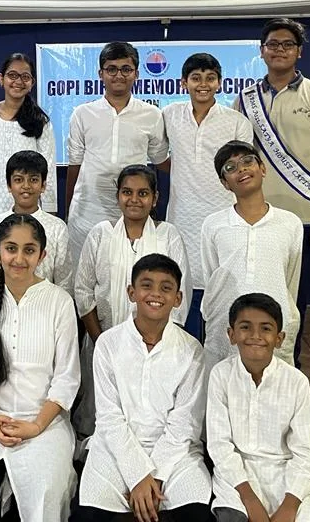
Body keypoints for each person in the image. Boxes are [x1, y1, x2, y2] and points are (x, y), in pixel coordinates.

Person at [0, 214, 81, 522]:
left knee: (43, 493)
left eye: (29, 250)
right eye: (11, 248)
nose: (19, 259)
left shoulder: (59, 302)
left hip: (45, 424)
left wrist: (36, 426)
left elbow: (67, 378)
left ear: (42, 255)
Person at [234, 18, 310, 364]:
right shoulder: (245, 99)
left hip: (305, 218)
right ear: (261, 51)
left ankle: (288, 365)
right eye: (273, 44)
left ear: (299, 51)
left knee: (292, 300)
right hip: (255, 218)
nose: (279, 50)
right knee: (251, 294)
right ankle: (249, 362)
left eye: (287, 44)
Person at [75, 254, 212, 522]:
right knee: (87, 516)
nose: (155, 294)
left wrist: (155, 476)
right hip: (115, 449)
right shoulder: (108, 344)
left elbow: (185, 423)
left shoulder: (191, 350)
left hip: (175, 455)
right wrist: (138, 474)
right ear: (131, 292)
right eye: (146, 285)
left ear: (178, 299)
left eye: (166, 287)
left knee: (197, 515)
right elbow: (109, 417)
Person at [74, 164, 190, 436]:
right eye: (127, 192)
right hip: (102, 339)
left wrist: (155, 346)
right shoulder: (101, 234)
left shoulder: (168, 235)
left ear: (155, 199)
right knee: (100, 419)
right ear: (117, 196)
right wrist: (102, 341)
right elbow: (83, 291)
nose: (134, 199)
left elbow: (180, 296)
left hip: (156, 348)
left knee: (150, 418)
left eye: (143, 193)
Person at [207, 293, 310, 522]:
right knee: (232, 517)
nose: (255, 336)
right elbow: (219, 446)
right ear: (231, 335)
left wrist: (289, 505)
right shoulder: (221, 375)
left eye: (266, 328)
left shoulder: (296, 381)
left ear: (279, 338)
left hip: (286, 475)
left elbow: (307, 453)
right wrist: (250, 500)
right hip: (237, 477)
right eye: (245, 327)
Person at [163, 53, 253, 339]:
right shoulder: (169, 115)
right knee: (183, 288)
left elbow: (243, 171)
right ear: (183, 83)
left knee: (221, 290)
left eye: (210, 78)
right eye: (196, 78)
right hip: (182, 218)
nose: (203, 84)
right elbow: (159, 156)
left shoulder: (236, 122)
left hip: (223, 218)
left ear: (219, 83)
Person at [65, 41, 169, 266]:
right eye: (111, 69)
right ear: (100, 74)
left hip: (133, 211)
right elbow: (75, 165)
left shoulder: (152, 115)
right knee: (83, 276)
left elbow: (161, 161)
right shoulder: (82, 114)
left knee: (129, 275)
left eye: (126, 69)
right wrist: (68, 210)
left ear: (136, 74)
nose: (119, 75)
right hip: (87, 212)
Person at [201, 141, 302, 371]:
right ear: (225, 183)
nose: (242, 169)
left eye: (248, 161)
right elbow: (213, 279)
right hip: (225, 326)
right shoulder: (213, 224)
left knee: (273, 385)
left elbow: (290, 280)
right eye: (231, 167)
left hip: (273, 324)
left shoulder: (290, 223)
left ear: (262, 169)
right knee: (223, 382)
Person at [0, 53, 58, 228]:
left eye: (25, 77)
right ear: (1, 79)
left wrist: (49, 212)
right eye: (12, 75)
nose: (18, 81)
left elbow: (48, 168)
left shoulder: (40, 121)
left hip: (25, 203)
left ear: (32, 83)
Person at [0, 150, 69, 289]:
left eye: (33, 180)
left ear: (43, 185)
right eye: (18, 180)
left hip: (46, 300)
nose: (26, 186)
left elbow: (64, 281)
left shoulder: (57, 228)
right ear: (9, 185)